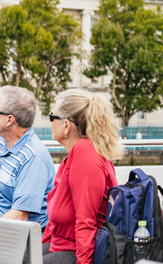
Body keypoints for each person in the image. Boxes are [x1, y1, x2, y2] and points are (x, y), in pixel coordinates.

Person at [40, 90, 123, 264]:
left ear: (66, 125)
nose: (50, 122)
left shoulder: (85, 154)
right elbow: (54, 224)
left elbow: (86, 221)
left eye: (51, 116)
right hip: (61, 245)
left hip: (77, 252)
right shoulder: (72, 157)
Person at [0, 86, 55, 228]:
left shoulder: (33, 158)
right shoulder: (4, 142)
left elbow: (20, 215)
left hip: (18, 239)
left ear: (9, 120)